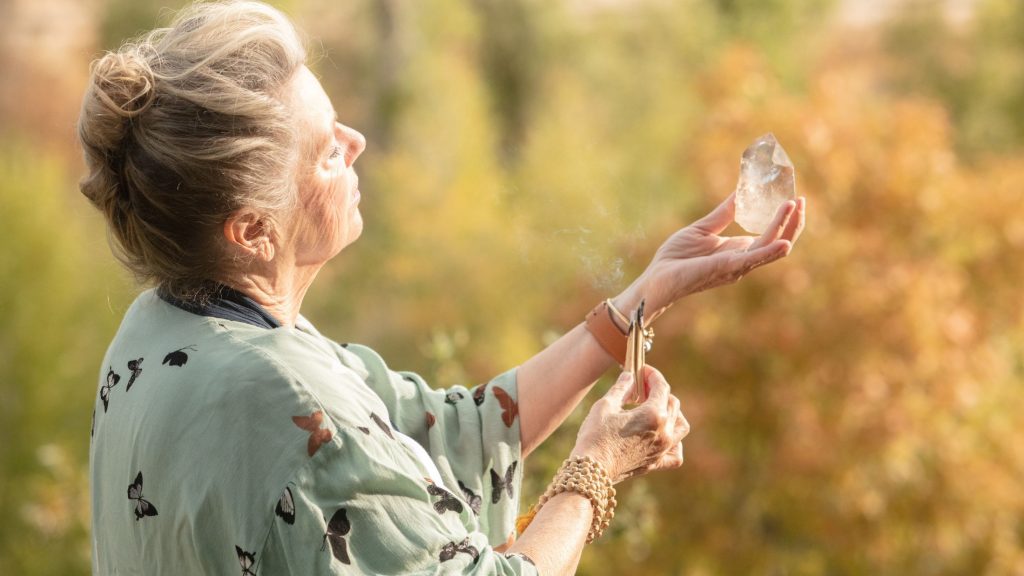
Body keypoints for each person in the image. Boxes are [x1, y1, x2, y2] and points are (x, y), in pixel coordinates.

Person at [78, 2, 805, 575]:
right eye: (327, 150)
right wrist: (596, 469)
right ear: (252, 230)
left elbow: (449, 433)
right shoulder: (281, 395)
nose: (357, 142)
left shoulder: (166, 328)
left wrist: (643, 297)